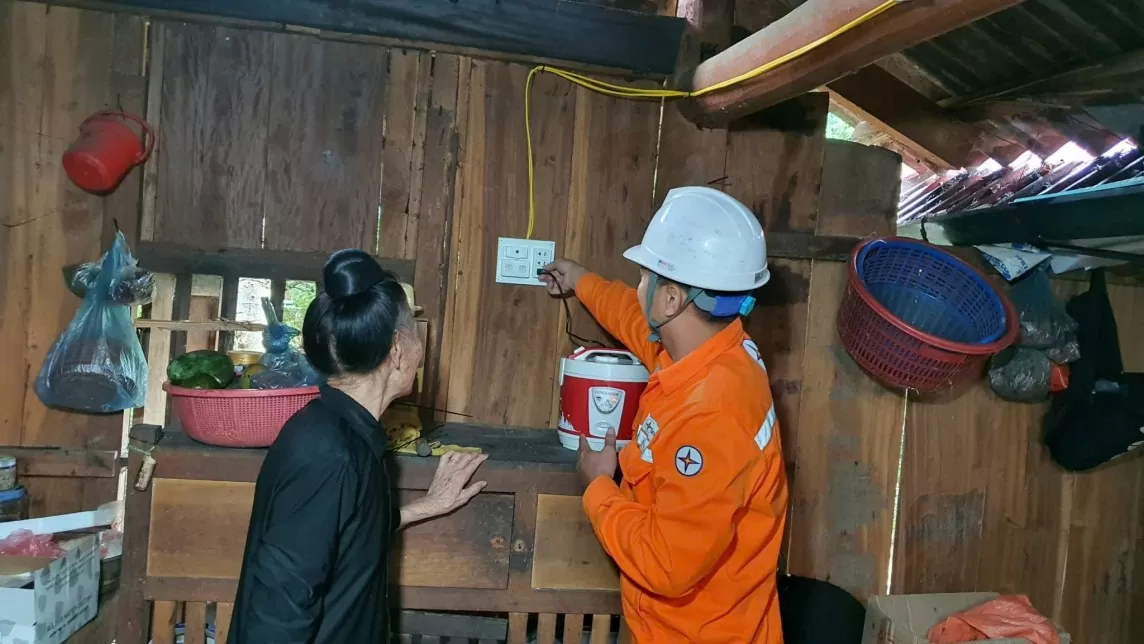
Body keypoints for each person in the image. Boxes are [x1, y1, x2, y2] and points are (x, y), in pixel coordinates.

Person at [540, 186, 788, 643]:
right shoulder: (712, 351)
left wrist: (597, 485)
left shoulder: (712, 413)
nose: (638, 288)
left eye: (643, 277)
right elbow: (631, 317)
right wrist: (579, 279)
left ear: (671, 299)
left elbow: (666, 564)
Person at [229, 249, 488, 643]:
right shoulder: (328, 454)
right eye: (416, 332)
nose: (422, 353)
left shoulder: (345, 429)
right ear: (398, 351)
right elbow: (278, 614)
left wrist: (428, 505)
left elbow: (345, 531)